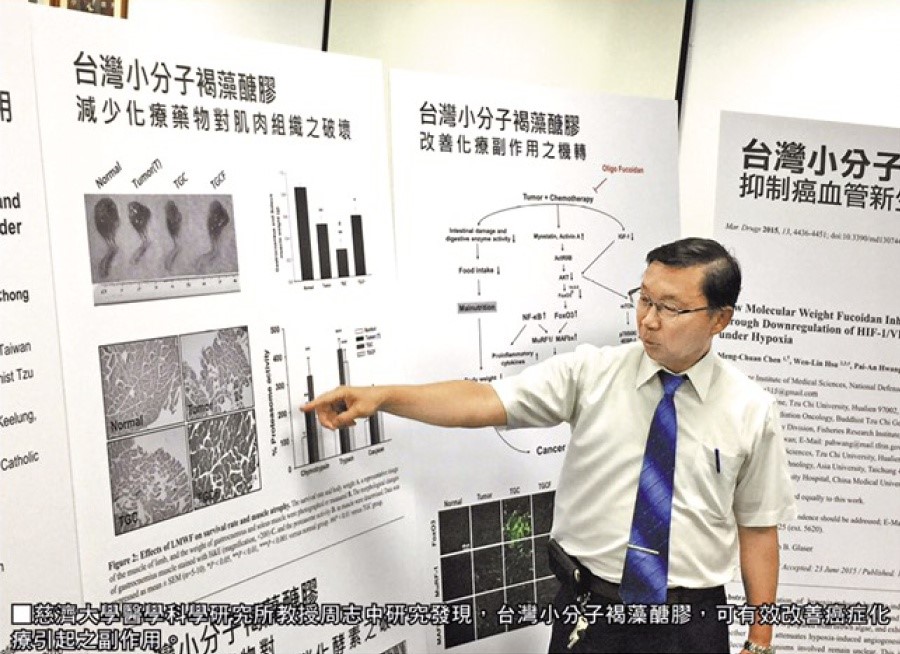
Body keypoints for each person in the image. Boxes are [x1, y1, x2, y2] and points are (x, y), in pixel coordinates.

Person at [304, 237, 796, 654]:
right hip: (590, 613)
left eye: (670, 308)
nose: (648, 320)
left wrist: (760, 639)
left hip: (688, 625)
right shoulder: (592, 374)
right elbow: (483, 401)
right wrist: (383, 397)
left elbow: (758, 528)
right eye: (644, 299)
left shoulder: (750, 410)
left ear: (719, 319)